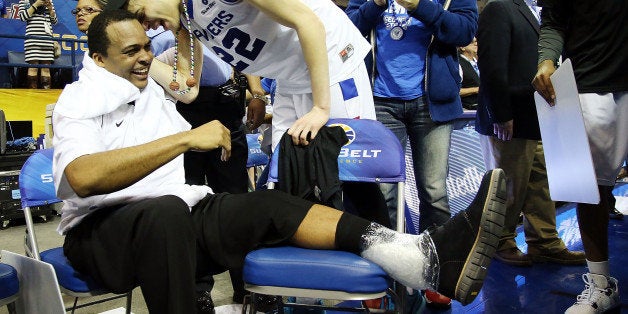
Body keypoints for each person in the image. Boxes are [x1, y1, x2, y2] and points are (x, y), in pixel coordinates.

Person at [53, 10, 508, 314]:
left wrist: (182, 27)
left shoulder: (150, 85)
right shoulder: (79, 98)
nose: (144, 57)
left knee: (265, 204)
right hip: (100, 235)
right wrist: (186, 139)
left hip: (173, 216)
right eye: (130, 51)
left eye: (145, 47)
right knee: (165, 213)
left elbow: (195, 83)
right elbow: (82, 177)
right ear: (97, 58)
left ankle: (422, 258)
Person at [106, 0, 375, 151]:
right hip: (291, 79)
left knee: (352, 169)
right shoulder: (184, 19)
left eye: (138, 14)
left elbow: (308, 22)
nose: (144, 26)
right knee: (287, 170)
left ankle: (382, 244)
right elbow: (187, 89)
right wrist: (136, 58)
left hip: (333, 65)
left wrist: (321, 107)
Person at [345, 0, 477, 307]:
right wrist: (375, 5)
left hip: (431, 103)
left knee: (434, 192)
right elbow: (348, 28)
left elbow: (464, 31)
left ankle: (435, 274)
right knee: (382, 195)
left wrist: (419, 5)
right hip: (379, 102)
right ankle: (383, 276)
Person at [532, 0, 628, 312]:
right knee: (592, 192)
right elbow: (554, 19)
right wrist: (546, 59)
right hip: (589, 83)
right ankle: (600, 286)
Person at [476, 0, 584, 267]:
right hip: (508, 119)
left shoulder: (540, 12)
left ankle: (545, 243)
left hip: (536, 118)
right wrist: (500, 114)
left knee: (540, 186)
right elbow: (491, 65)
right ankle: (501, 242)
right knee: (507, 188)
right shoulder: (498, 8)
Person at [18, 0, 57, 89]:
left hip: (47, 40)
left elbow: (54, 21)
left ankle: (45, 94)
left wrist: (51, 9)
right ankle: (32, 95)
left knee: (46, 68)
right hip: (32, 40)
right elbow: (23, 17)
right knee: (33, 67)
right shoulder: (25, 1)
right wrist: (35, 5)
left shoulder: (49, 1)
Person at [458, 38, 479, 111]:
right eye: (472, 42)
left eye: (476, 41)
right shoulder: (458, 64)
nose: (476, 44)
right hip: (468, 109)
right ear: (462, 47)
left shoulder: (480, 62)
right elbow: (456, 91)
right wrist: (476, 89)